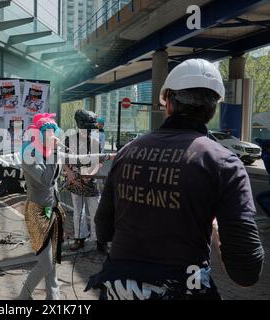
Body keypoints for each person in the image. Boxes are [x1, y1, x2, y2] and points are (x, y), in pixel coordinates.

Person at [87, 59, 264, 300]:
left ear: (168, 103)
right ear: (212, 109)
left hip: (120, 288)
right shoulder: (224, 163)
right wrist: (214, 228)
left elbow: (103, 229)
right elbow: (245, 271)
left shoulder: (127, 152)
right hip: (185, 288)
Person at [18, 113, 65, 300]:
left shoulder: (50, 152)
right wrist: (54, 152)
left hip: (53, 209)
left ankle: (53, 298)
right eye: (47, 133)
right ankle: (24, 296)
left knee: (53, 259)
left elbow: (79, 157)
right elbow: (46, 181)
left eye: (53, 132)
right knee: (45, 263)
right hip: (36, 212)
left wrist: (111, 155)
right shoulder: (29, 154)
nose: (52, 136)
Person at [63, 110, 111, 253]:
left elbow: (100, 161)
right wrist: (69, 172)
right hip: (75, 181)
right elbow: (62, 158)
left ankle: (100, 240)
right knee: (78, 211)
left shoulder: (95, 141)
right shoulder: (69, 139)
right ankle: (79, 238)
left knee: (96, 211)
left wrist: (90, 174)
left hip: (92, 182)